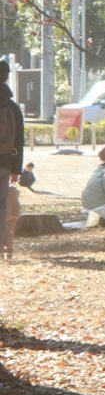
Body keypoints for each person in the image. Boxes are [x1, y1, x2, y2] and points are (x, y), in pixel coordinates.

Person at [0, 60, 23, 261]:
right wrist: (17, 169)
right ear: (7, 77)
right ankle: (1, 248)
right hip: (5, 162)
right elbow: (19, 140)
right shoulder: (12, 107)